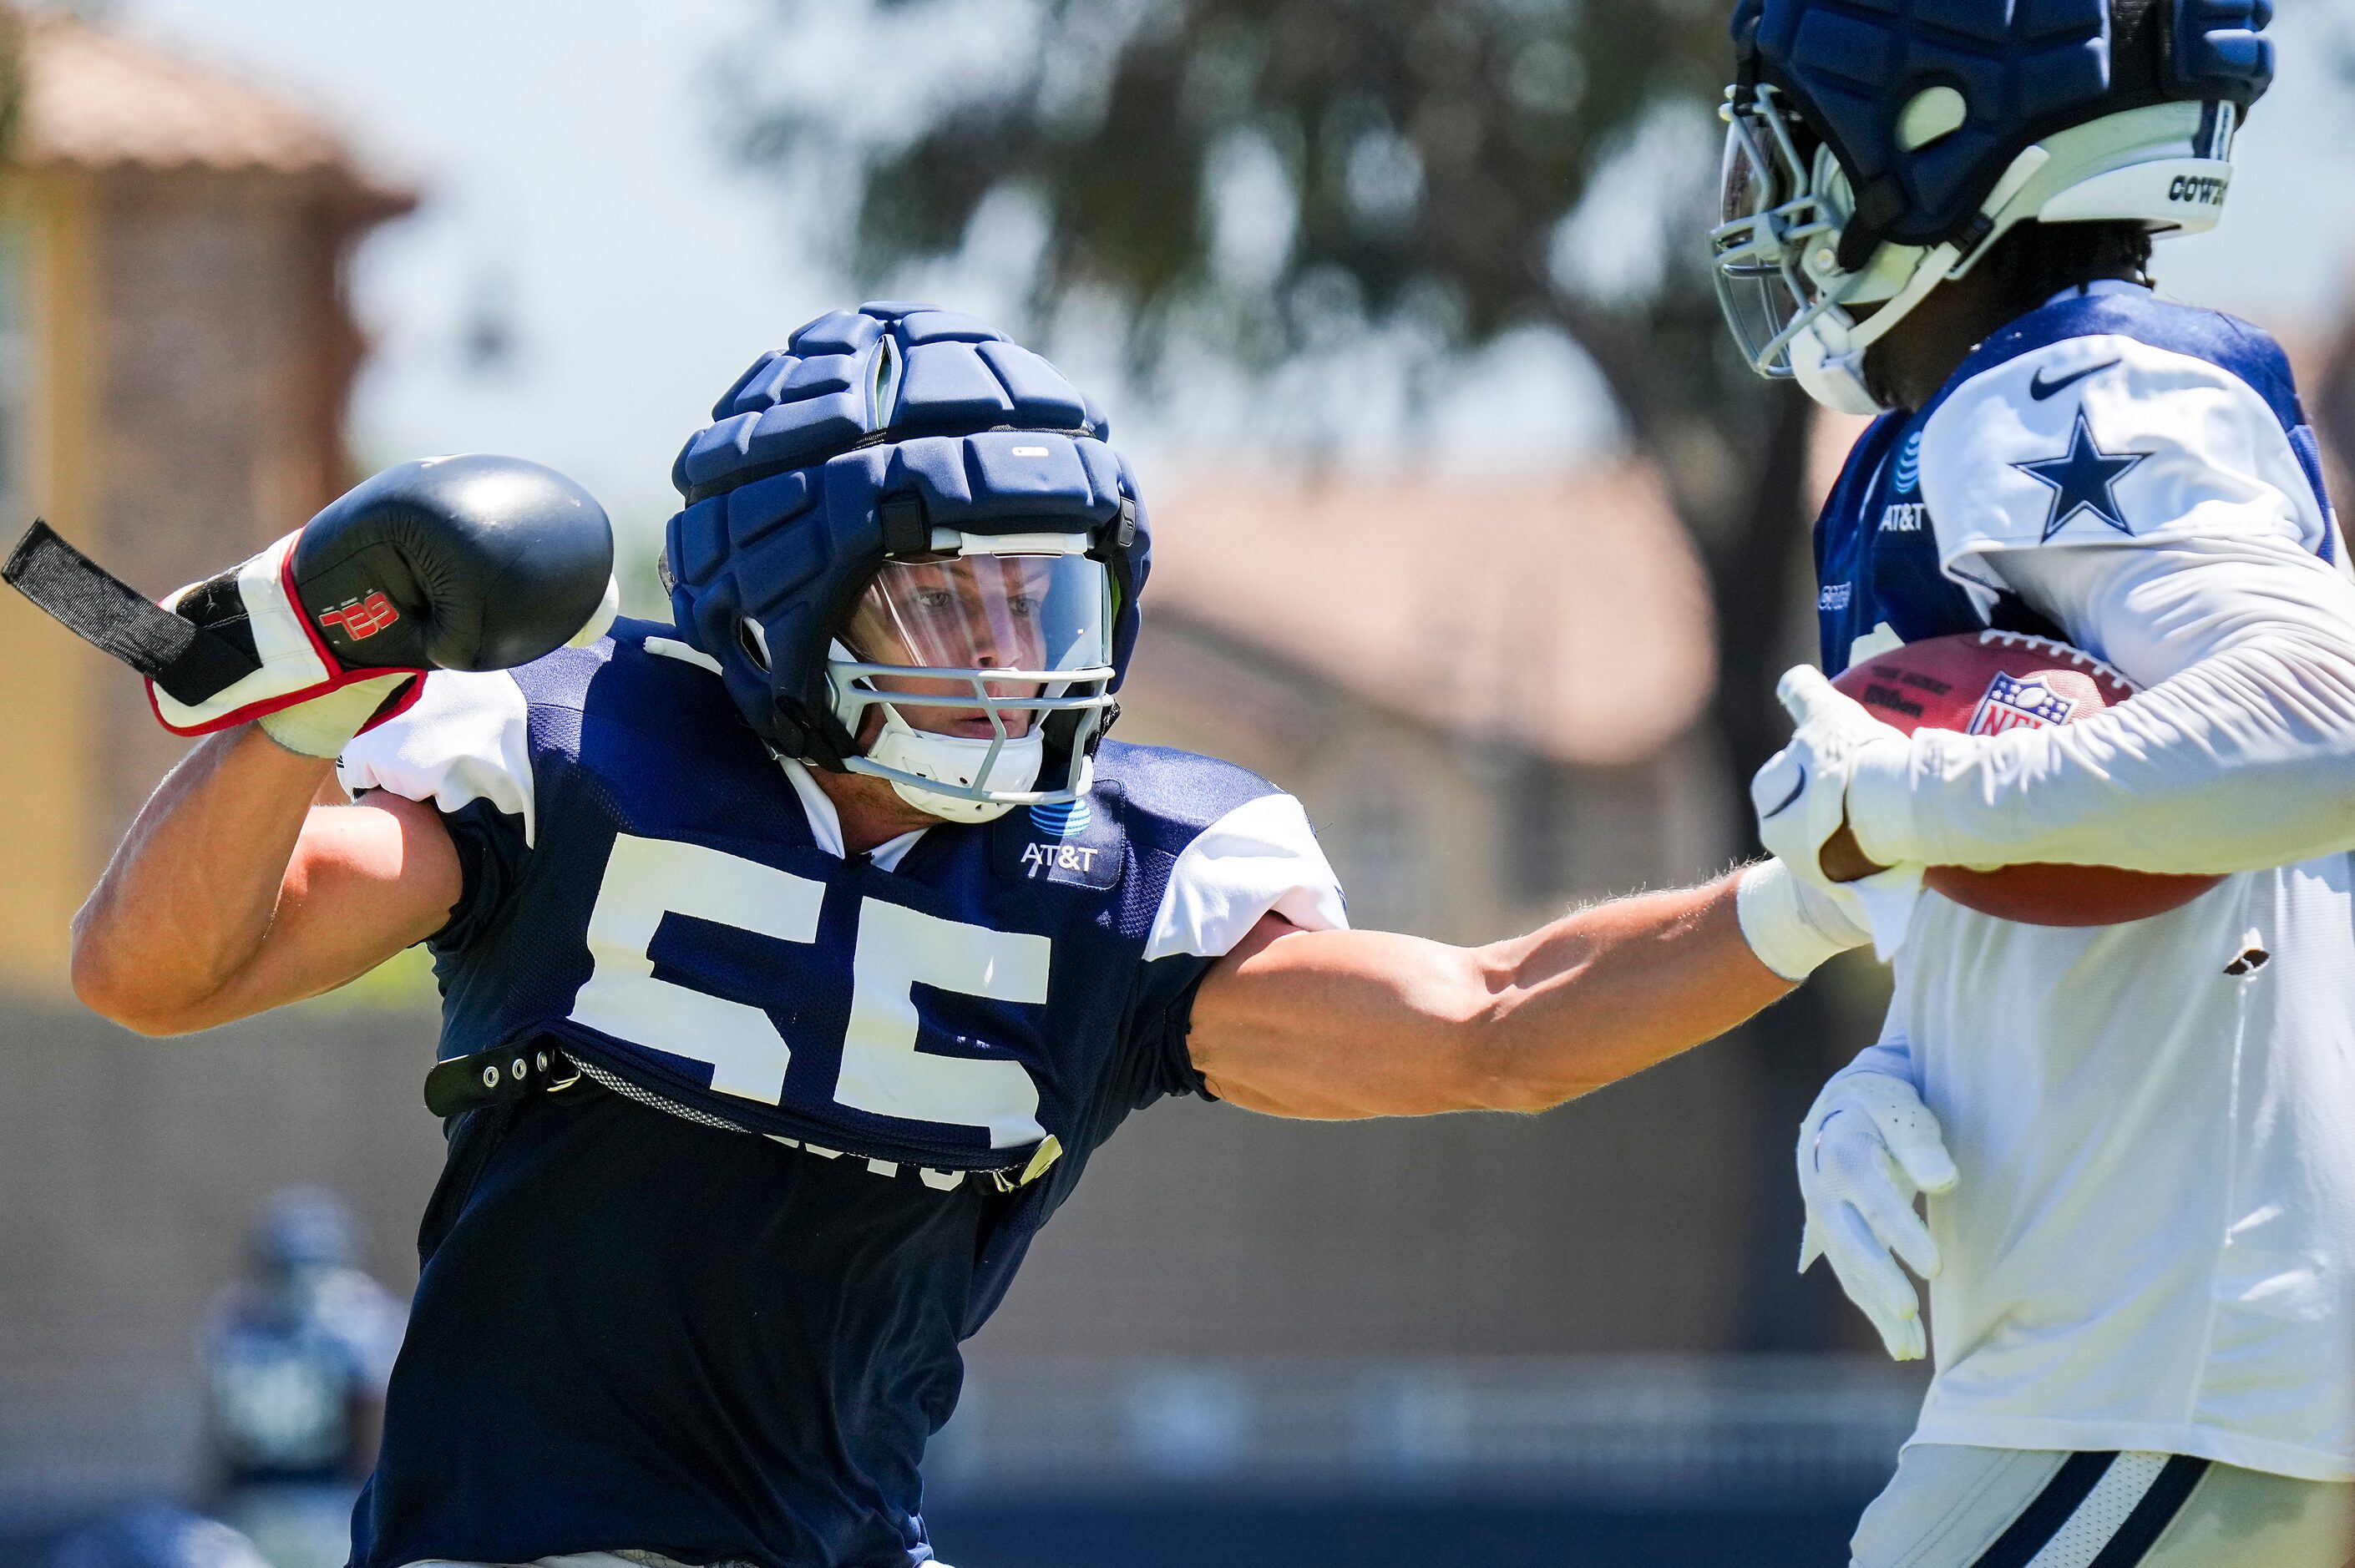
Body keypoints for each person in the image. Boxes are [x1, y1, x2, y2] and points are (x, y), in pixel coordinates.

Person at [48, 304, 1867, 1568]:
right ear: (789, 599)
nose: (1011, 648)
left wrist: (1816, 880)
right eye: (951, 597)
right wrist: (300, 689)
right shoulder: (575, 762)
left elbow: (1496, 1026)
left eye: (1041, 591)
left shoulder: (1123, 881)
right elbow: (156, 973)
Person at [1715, 2, 2355, 1562]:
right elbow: (2111, 842)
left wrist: (1916, 802)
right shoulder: (1966, 423)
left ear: (1933, 128)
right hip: (2129, 1374)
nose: (1767, 185)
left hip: (2161, 1380)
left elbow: (2324, 721)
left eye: (1802, 128)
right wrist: (1905, 1075)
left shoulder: (2068, 393)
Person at [200, 1190, 406, 1568]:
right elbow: (373, 1430)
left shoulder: (235, 1321)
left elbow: (220, 1441)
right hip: (333, 1510)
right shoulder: (361, 1321)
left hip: (250, 1510)